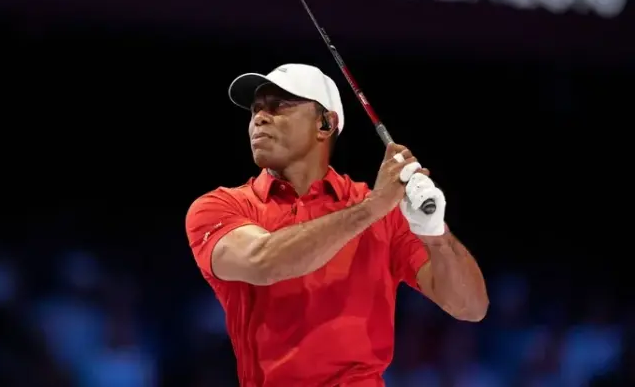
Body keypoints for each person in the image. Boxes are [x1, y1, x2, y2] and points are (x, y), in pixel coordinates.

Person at [185, 63, 489, 387]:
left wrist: (435, 233)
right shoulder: (221, 207)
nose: (259, 118)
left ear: (325, 123)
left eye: (279, 106)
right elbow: (263, 260)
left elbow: (470, 306)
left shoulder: (383, 212)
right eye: (256, 109)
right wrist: (372, 208)